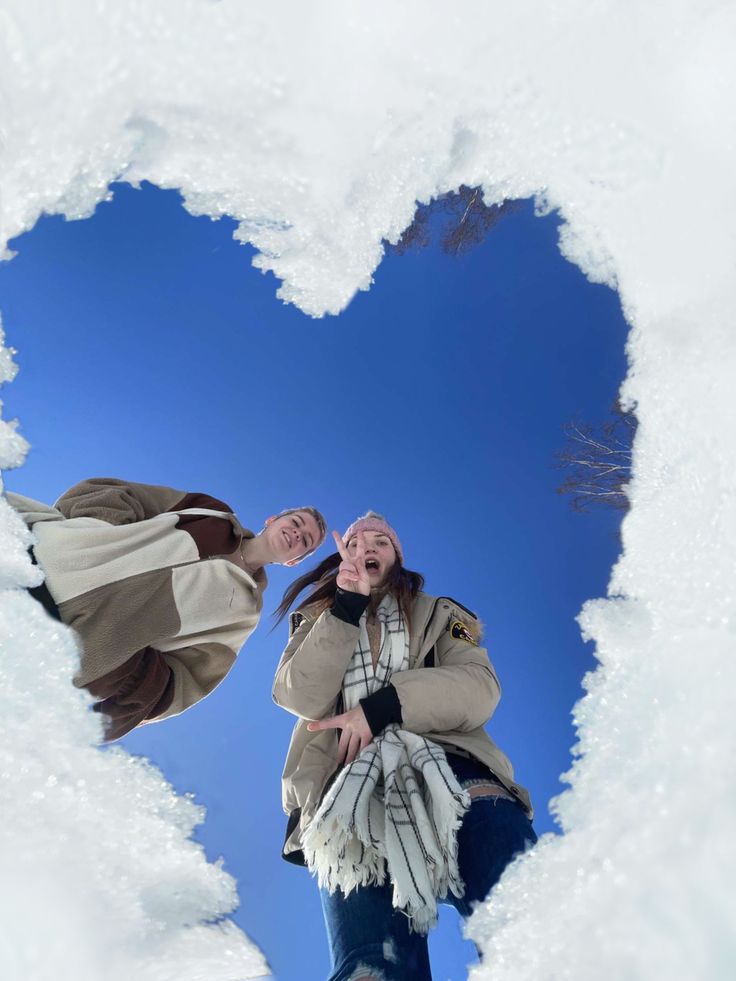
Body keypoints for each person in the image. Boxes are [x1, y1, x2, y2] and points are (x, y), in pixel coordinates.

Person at [273, 511, 536, 981]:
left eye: (381, 542)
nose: (368, 549)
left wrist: (384, 707)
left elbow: (479, 687)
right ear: (342, 556)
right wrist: (345, 610)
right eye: (355, 543)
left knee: (530, 929)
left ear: (398, 557)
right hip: (347, 801)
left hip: (454, 774)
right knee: (373, 968)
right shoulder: (315, 620)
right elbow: (300, 697)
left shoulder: (447, 616)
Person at [8, 477, 326, 741]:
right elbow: (120, 493)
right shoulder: (212, 513)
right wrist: (96, 533)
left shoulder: (245, 612)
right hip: (42, 561)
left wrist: (116, 667)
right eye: (296, 522)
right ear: (273, 520)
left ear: (293, 561)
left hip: (62, 652)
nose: (298, 533)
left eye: (306, 540)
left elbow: (184, 683)